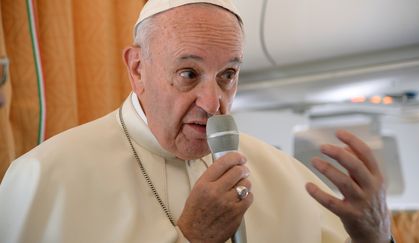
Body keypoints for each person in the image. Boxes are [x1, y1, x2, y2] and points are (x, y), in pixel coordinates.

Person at [0, 0, 393, 242]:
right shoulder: (46, 175)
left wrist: (376, 238)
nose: (214, 102)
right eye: (189, 74)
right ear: (137, 69)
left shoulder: (284, 174)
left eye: (228, 75)